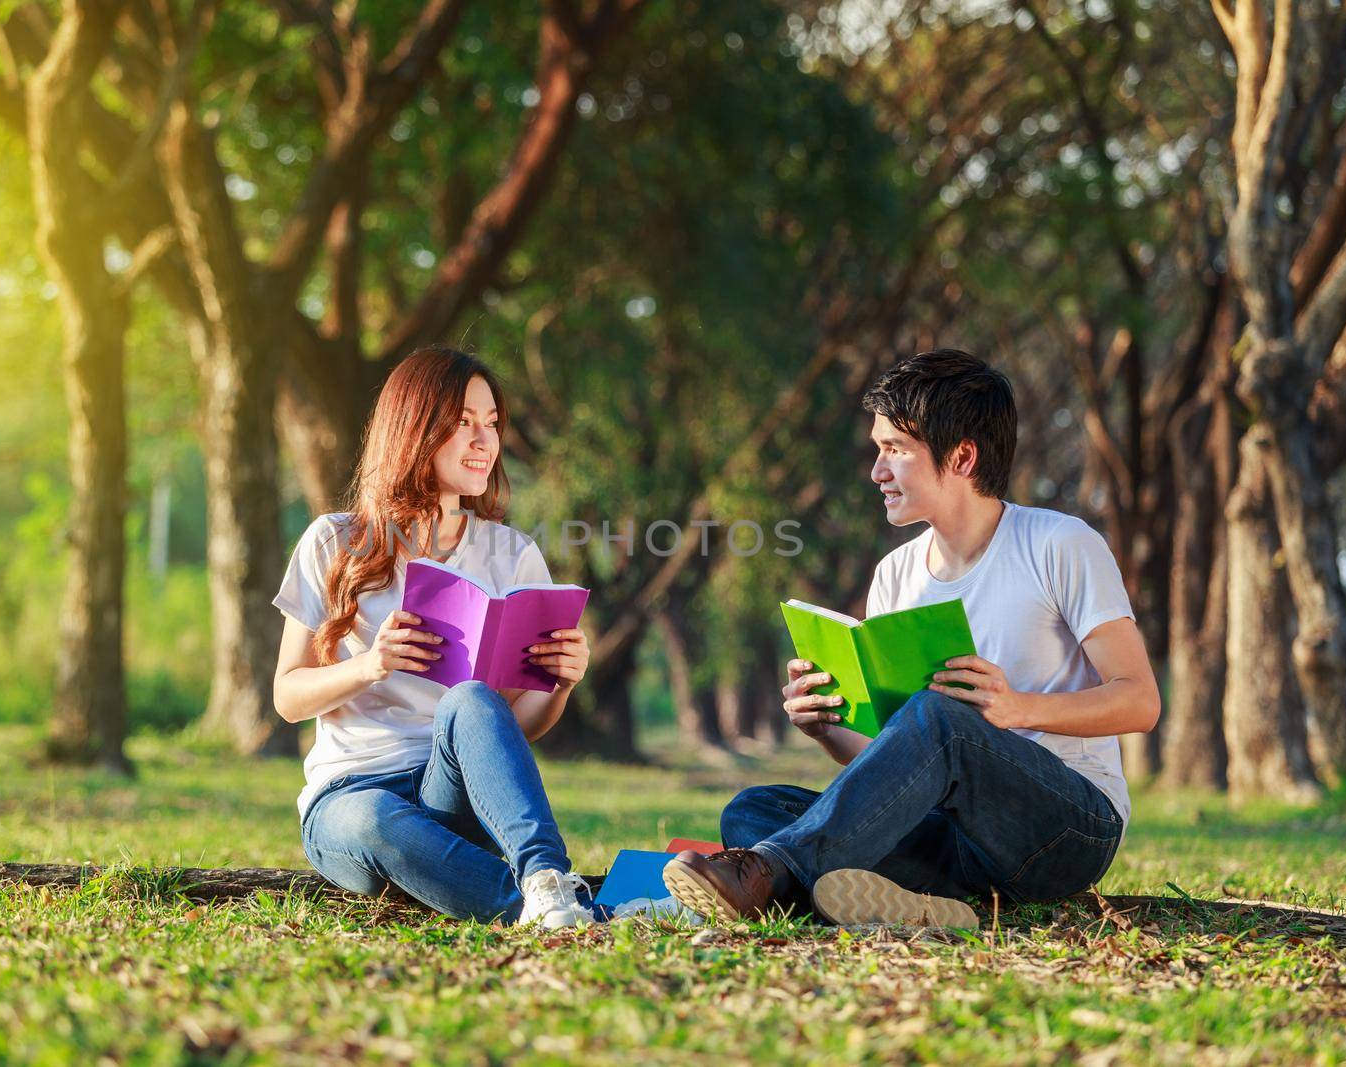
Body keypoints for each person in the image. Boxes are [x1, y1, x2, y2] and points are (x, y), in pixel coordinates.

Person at [663, 349, 1160, 928]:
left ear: (963, 456)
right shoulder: (896, 574)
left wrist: (1016, 709)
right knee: (755, 808)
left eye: (895, 450)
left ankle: (773, 876)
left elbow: (1140, 700)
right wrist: (826, 728)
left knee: (941, 716)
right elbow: (896, 769)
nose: (877, 471)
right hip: (952, 841)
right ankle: (926, 908)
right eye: (879, 450)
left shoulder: (1058, 544)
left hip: (1065, 830)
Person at [271, 346, 596, 928]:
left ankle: (548, 876)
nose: (484, 441)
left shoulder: (511, 553)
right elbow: (288, 697)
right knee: (374, 819)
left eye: (492, 423)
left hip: (454, 794)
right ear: (414, 427)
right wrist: (370, 664)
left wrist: (562, 683)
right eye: (463, 422)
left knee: (472, 699)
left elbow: (515, 732)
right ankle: (546, 908)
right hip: (349, 795)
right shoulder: (333, 541)